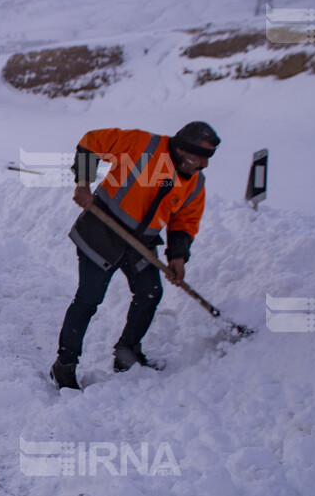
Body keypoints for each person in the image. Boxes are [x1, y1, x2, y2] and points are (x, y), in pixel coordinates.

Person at [49, 121, 220, 390]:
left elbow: (185, 222)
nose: (203, 166)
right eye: (198, 158)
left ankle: (127, 354)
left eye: (208, 160)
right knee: (89, 298)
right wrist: (83, 183)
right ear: (181, 149)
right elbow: (90, 143)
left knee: (150, 292)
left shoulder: (195, 184)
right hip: (101, 231)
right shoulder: (142, 145)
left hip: (140, 244)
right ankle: (65, 364)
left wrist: (177, 257)